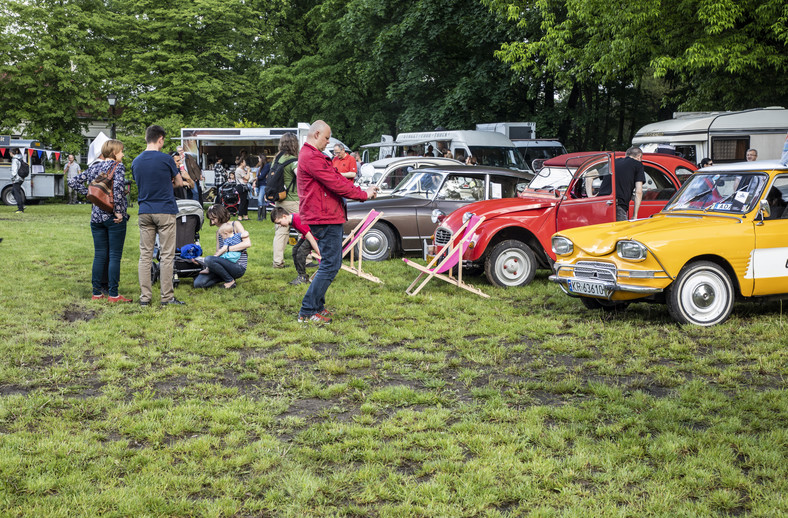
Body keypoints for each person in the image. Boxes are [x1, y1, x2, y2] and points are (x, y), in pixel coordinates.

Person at [296, 120, 378, 324]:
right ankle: (307, 312)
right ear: (316, 134)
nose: (328, 142)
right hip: (323, 216)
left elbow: (337, 179)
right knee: (331, 265)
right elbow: (335, 183)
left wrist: (361, 192)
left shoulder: (313, 156)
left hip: (325, 214)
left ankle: (317, 308)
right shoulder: (311, 156)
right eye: (326, 137)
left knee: (331, 263)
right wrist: (363, 195)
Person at [68, 139, 132, 302]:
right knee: (115, 255)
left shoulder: (94, 167)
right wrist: (118, 212)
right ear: (114, 152)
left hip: (96, 217)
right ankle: (113, 294)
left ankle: (96, 293)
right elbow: (117, 190)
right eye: (121, 151)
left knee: (100, 255)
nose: (123, 154)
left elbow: (73, 181)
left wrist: (92, 195)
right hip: (112, 216)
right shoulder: (118, 167)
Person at [132, 124, 186, 307]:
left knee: (145, 255)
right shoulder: (166, 159)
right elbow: (179, 183)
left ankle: (145, 298)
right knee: (166, 255)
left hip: (145, 210)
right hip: (165, 210)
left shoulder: (136, 161)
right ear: (160, 139)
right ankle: (167, 297)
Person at [193, 204, 251, 289]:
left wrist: (227, 249)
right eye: (210, 220)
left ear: (220, 216)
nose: (212, 222)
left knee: (209, 259)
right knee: (198, 284)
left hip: (237, 266)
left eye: (213, 219)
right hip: (224, 264)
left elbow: (247, 243)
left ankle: (229, 281)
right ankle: (225, 276)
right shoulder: (219, 232)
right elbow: (218, 253)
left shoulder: (235, 224)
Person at [271, 207, 321, 286]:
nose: (280, 225)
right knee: (295, 250)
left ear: (284, 216)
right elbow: (305, 231)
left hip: (315, 236)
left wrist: (319, 253)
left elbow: (311, 238)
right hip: (308, 235)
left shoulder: (297, 220)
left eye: (279, 222)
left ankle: (302, 277)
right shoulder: (292, 219)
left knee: (301, 252)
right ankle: (300, 274)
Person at [272, 133, 300, 269]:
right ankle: (306, 259)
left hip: (279, 200)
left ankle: (278, 262)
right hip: (293, 200)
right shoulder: (294, 160)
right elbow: (301, 177)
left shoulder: (276, 159)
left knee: (281, 231)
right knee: (304, 229)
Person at [613, 147, 645, 221]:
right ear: (639, 156)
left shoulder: (614, 162)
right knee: (622, 231)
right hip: (618, 205)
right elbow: (639, 192)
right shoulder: (638, 164)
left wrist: (591, 195)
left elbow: (591, 175)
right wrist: (635, 215)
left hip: (601, 204)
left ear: (626, 155)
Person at [253, 154, 271, 220]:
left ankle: (259, 216)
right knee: (262, 200)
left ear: (261, 159)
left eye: (259, 158)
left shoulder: (266, 166)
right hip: (260, 184)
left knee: (260, 199)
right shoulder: (262, 166)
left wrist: (256, 178)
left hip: (263, 184)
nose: (258, 160)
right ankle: (263, 216)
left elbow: (262, 176)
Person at [8, 148, 25, 213]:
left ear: (11, 153)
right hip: (21, 178)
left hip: (17, 178)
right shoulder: (20, 158)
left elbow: (14, 171)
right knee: (13, 191)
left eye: (9, 152)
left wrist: (13, 178)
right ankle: (21, 205)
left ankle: (20, 208)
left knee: (16, 192)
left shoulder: (15, 160)